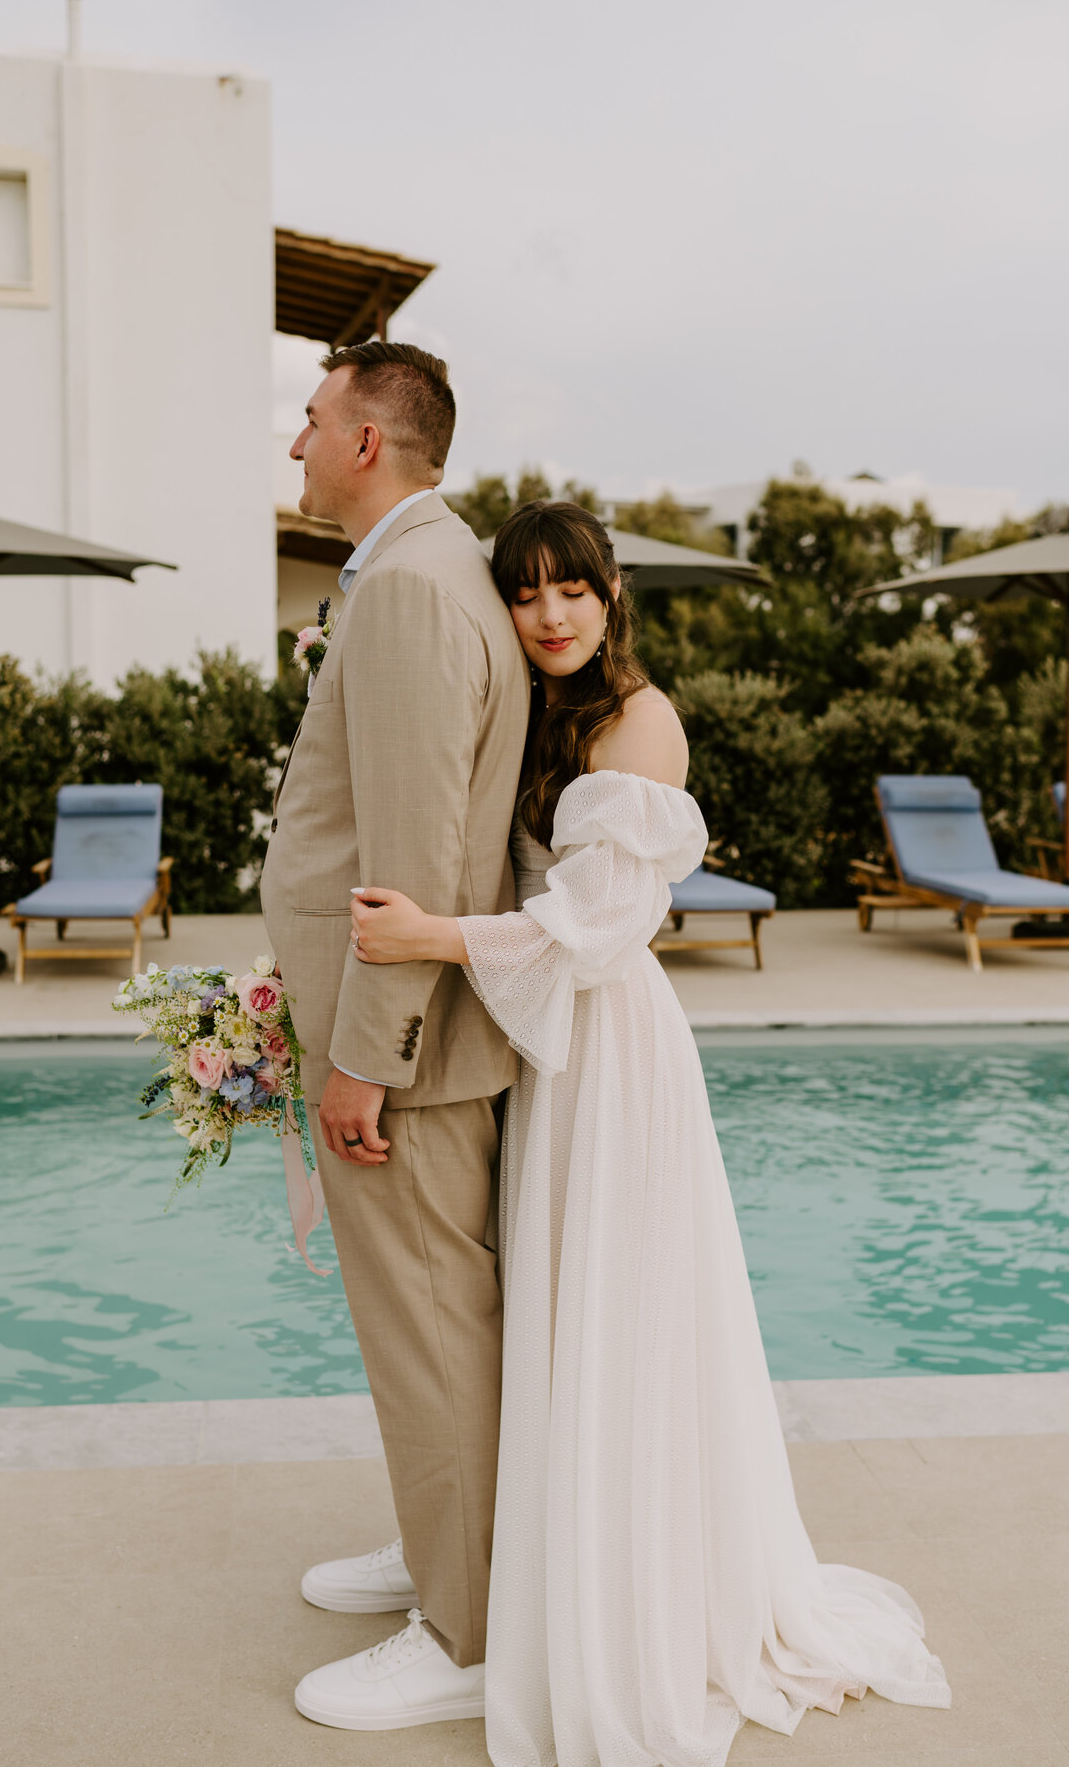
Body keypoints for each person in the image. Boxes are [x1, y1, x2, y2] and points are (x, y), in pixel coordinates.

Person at [350, 501, 952, 1765]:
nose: (552, 614)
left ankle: (616, 1591)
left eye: (574, 590)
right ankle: (493, 1549)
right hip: (546, 1050)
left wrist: (432, 938)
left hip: (611, 1049)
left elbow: (599, 923)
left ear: (614, 594)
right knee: (550, 1308)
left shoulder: (640, 720)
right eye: (526, 596)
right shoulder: (537, 712)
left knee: (616, 1313)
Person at [260, 342, 529, 1728]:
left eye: (310, 419)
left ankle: (467, 1629)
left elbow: (413, 852)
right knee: (420, 1328)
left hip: (400, 1060)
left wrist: (367, 1053)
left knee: (431, 1329)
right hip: (384, 1035)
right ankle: (441, 1543)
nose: (294, 441)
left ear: (368, 442)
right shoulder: (418, 575)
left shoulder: (417, 591)